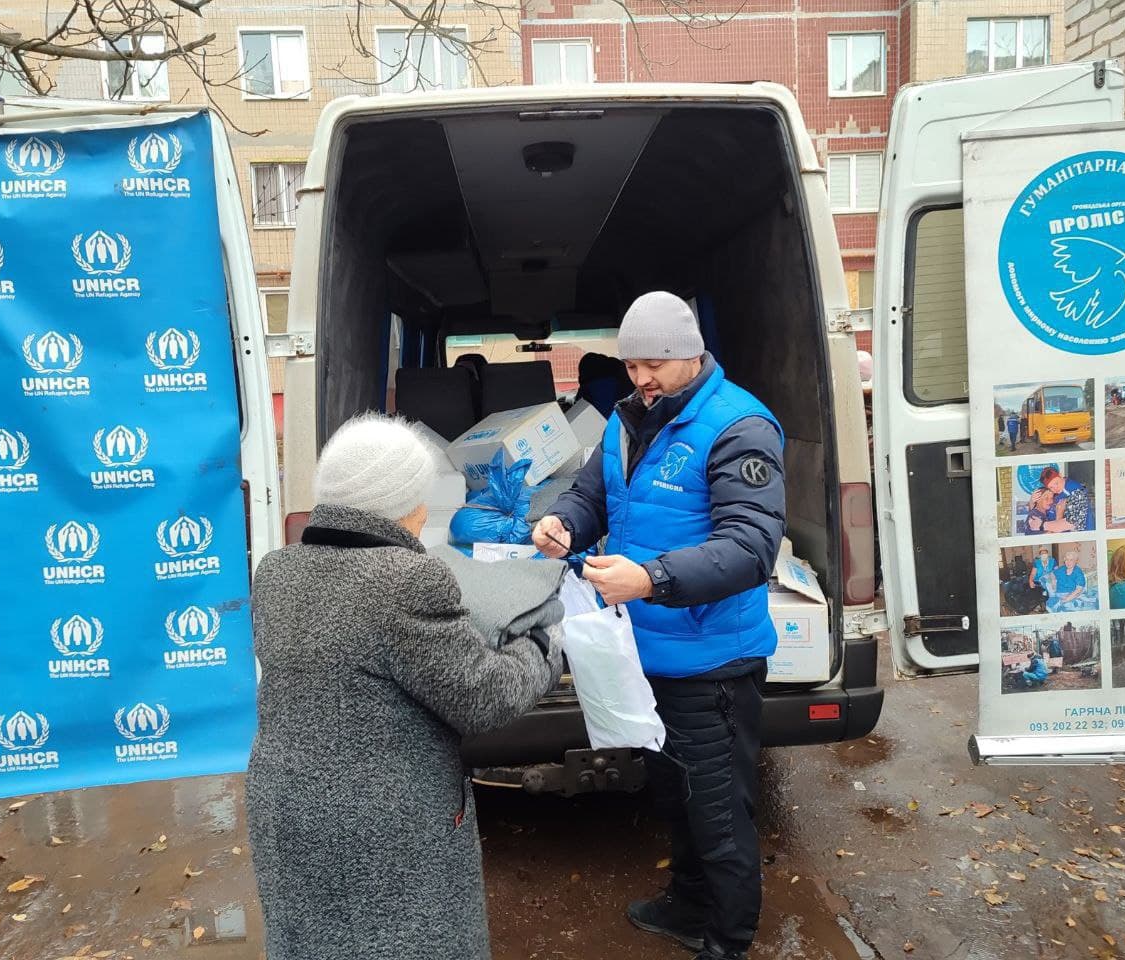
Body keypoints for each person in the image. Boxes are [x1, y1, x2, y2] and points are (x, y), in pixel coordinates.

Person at [246, 415, 562, 960]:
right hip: (381, 825)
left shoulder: (276, 572)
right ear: (407, 505)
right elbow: (484, 697)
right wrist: (543, 644)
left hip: (285, 805)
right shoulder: (408, 580)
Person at [532, 291, 785, 960]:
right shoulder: (627, 419)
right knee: (674, 794)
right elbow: (593, 492)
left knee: (720, 813)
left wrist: (652, 579)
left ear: (690, 356)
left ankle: (727, 942)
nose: (639, 380)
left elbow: (750, 547)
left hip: (712, 662)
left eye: (652, 366)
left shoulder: (740, 428)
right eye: (631, 365)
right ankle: (687, 904)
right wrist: (564, 521)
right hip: (646, 654)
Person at [1037, 466, 1091, 532]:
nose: (1055, 489)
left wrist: (1042, 525)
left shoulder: (1076, 490)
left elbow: (1072, 523)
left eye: (1056, 483)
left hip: (1084, 536)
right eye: (1051, 487)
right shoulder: (1055, 493)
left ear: (1060, 475)